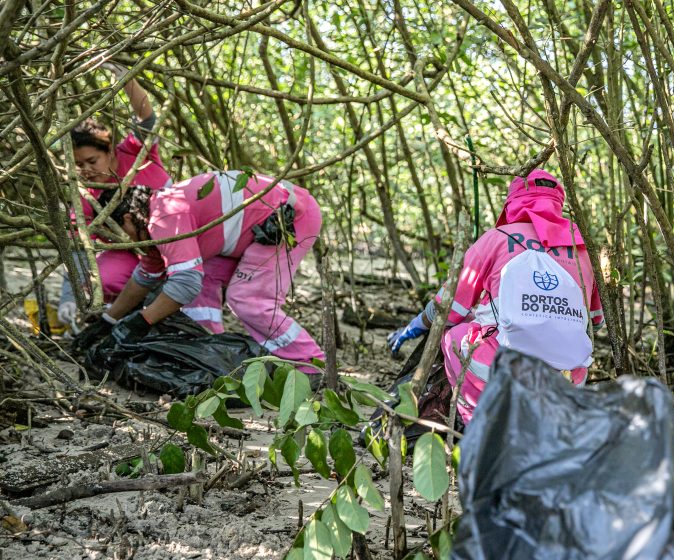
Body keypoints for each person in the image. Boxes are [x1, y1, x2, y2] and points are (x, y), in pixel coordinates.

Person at [387, 169, 604, 424]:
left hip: (502, 369)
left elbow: (448, 308)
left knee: (454, 337)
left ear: (512, 202)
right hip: (568, 377)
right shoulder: (583, 251)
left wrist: (416, 324)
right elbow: (594, 322)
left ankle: (480, 425)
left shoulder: (497, 238)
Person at [74, 171, 325, 384]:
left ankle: (311, 364)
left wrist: (142, 320)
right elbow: (146, 275)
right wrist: (108, 320)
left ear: (128, 218)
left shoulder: (164, 217)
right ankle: (211, 349)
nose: (121, 241)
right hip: (256, 229)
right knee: (203, 281)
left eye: (117, 232)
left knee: (247, 299)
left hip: (289, 218)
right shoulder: (156, 222)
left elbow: (184, 285)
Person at [57, 63, 173, 326]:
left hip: (173, 238)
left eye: (92, 160)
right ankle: (127, 315)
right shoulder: (86, 196)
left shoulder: (134, 153)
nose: (86, 170)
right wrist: (68, 298)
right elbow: (78, 248)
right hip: (131, 256)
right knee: (101, 277)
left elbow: (147, 120)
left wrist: (128, 82)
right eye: (79, 165)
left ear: (109, 152)